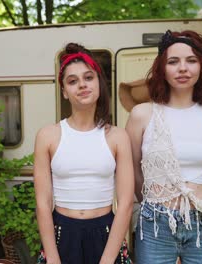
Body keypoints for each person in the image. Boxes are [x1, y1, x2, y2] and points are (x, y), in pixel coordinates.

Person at [125, 30, 202, 263]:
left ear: (201, 66)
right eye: (173, 62)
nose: (183, 68)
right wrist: (155, 205)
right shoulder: (142, 114)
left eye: (191, 60)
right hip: (156, 223)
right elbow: (133, 170)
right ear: (162, 68)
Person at [34, 43, 134, 264]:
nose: (82, 85)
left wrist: (108, 260)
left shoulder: (117, 137)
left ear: (98, 82)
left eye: (88, 77)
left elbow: (126, 202)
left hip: (106, 234)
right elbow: (43, 203)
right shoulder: (48, 136)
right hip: (62, 236)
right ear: (64, 92)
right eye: (72, 81)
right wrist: (52, 257)